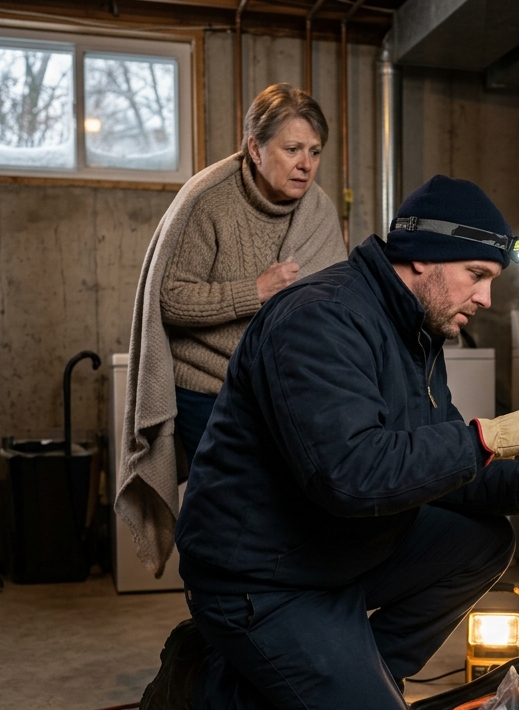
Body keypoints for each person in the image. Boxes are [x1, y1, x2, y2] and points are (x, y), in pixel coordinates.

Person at [138, 176, 519, 710]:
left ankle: (363, 681)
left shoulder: (414, 327)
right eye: (476, 274)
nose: (484, 297)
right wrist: (485, 437)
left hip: (330, 551)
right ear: (420, 254)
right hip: (260, 578)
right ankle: (200, 679)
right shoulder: (319, 320)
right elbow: (350, 474)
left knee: (480, 541)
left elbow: (435, 466)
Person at [116, 84, 346, 577]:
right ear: (255, 148)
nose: (305, 164)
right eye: (291, 149)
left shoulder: (320, 211)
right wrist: (255, 290)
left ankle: (269, 617)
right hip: (208, 387)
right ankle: (219, 611)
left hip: (283, 388)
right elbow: (169, 298)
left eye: (314, 152)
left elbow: (335, 301)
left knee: (291, 512)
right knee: (231, 515)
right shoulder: (207, 201)